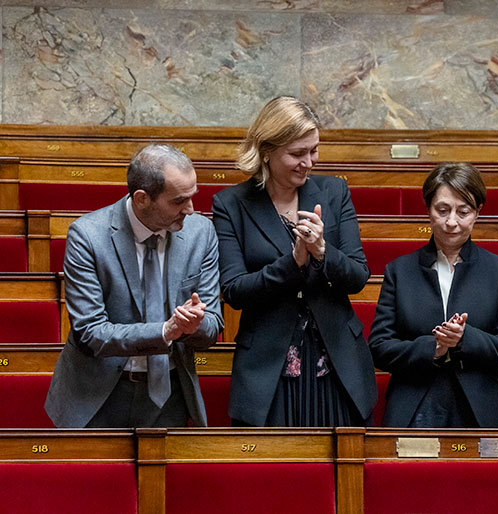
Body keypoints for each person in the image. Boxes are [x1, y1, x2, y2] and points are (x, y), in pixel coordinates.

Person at [212, 96, 376, 427]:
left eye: (313, 150)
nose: (309, 162)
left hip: (336, 365)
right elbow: (234, 290)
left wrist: (322, 251)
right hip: (269, 369)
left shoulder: (334, 192)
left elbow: (358, 275)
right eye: (297, 153)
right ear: (267, 151)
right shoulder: (231, 204)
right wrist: (293, 261)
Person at [45, 144, 222, 428]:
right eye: (179, 201)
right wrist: (165, 331)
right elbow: (90, 332)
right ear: (142, 199)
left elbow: (212, 325)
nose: (190, 209)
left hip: (171, 395)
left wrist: (193, 326)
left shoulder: (201, 233)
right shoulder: (88, 236)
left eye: (192, 196)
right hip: (98, 396)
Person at [369, 162, 498, 427]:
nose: (451, 222)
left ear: (477, 213)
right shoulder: (399, 270)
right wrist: (434, 348)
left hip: (481, 406)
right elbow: (380, 347)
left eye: (463, 212)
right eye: (442, 210)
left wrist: (464, 338)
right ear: (428, 209)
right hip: (414, 404)